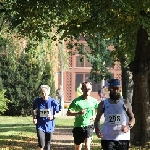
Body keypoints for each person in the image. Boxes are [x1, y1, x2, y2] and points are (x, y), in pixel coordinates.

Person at [94, 79, 135, 150]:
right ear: (109, 89)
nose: (115, 91)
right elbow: (97, 120)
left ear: (119, 89)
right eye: (113, 88)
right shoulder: (103, 104)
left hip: (123, 138)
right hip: (107, 138)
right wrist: (97, 131)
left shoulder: (125, 103)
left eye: (117, 88)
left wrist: (128, 127)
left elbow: (132, 118)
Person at [67, 82, 98, 150]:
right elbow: (68, 113)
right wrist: (78, 113)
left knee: (87, 145)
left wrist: (95, 116)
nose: (87, 90)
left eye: (89, 89)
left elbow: (99, 111)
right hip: (78, 126)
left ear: (91, 89)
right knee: (78, 147)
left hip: (89, 125)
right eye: (85, 89)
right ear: (82, 89)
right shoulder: (77, 101)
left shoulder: (94, 101)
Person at [32, 85, 61, 150]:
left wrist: (53, 116)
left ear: (48, 92)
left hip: (49, 125)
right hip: (40, 125)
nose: (44, 94)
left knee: (47, 144)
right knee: (41, 144)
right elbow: (33, 110)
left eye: (45, 92)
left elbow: (59, 112)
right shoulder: (37, 101)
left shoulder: (53, 101)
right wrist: (34, 118)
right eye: (42, 93)